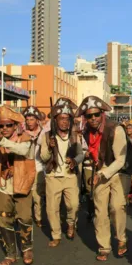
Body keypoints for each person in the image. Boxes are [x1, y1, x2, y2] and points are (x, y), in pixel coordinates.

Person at [77, 95, 132, 261]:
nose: (93, 118)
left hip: (119, 171)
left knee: (116, 207)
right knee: (100, 210)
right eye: (89, 116)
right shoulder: (86, 131)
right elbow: (90, 151)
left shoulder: (115, 129)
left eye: (96, 114)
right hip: (100, 170)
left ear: (102, 113)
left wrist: (102, 173)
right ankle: (104, 246)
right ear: (85, 117)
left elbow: (121, 160)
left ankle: (121, 238)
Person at [0, 106, 36, 265]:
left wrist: (3, 141)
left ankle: (27, 248)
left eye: (8, 125)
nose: (4, 128)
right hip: (4, 185)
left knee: (25, 217)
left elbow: (23, 151)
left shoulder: (25, 137)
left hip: (23, 184)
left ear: (15, 126)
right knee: (3, 219)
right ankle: (10, 254)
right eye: (1, 126)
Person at [40, 104, 84, 247]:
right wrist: (49, 147)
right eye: (61, 119)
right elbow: (44, 157)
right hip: (53, 177)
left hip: (70, 176)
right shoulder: (47, 136)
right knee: (52, 209)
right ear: (55, 121)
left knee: (74, 205)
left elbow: (80, 154)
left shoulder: (74, 136)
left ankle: (71, 223)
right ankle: (56, 235)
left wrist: (75, 161)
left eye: (67, 119)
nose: (64, 122)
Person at [22, 106, 46, 227]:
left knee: (37, 196)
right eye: (27, 119)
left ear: (37, 120)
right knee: (25, 195)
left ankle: (38, 218)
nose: (29, 122)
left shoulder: (43, 133)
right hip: (24, 169)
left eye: (32, 119)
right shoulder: (21, 133)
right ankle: (25, 217)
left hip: (38, 168)